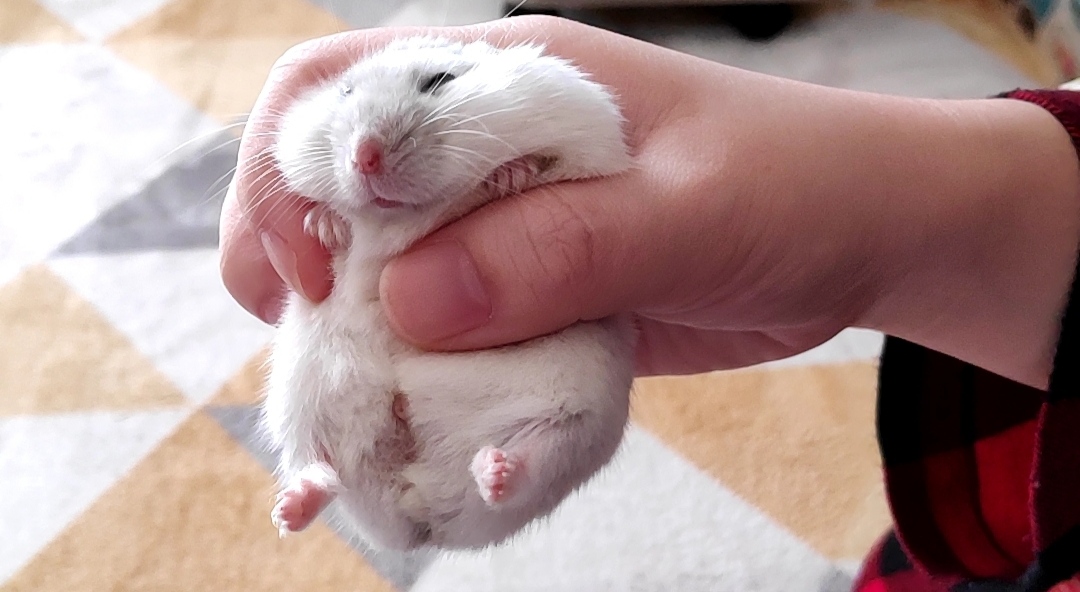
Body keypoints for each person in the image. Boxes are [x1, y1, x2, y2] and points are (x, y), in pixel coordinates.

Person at [218, 16, 1080, 592]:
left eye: (437, 83)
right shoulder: (337, 174)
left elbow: (589, 141)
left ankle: (509, 463)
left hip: (507, 393)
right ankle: (321, 469)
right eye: (344, 102)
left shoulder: (548, 120)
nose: (367, 147)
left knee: (574, 401)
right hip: (991, 521)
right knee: (310, 364)